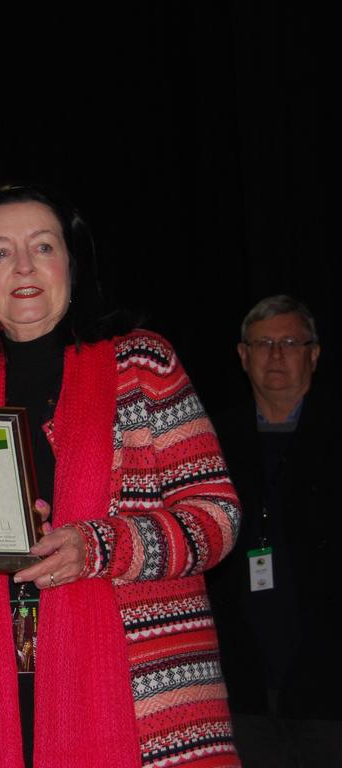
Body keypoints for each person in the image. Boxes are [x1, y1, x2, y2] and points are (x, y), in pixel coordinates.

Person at [0, 184, 241, 768]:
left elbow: (218, 517)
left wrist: (99, 545)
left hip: (141, 701)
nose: (23, 266)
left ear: (71, 265)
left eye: (43, 246)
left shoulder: (142, 366)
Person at [207, 295, 342, 766]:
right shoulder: (210, 440)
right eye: (263, 344)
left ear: (315, 353)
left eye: (289, 342)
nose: (277, 355)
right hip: (241, 687)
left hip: (329, 687)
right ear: (243, 356)